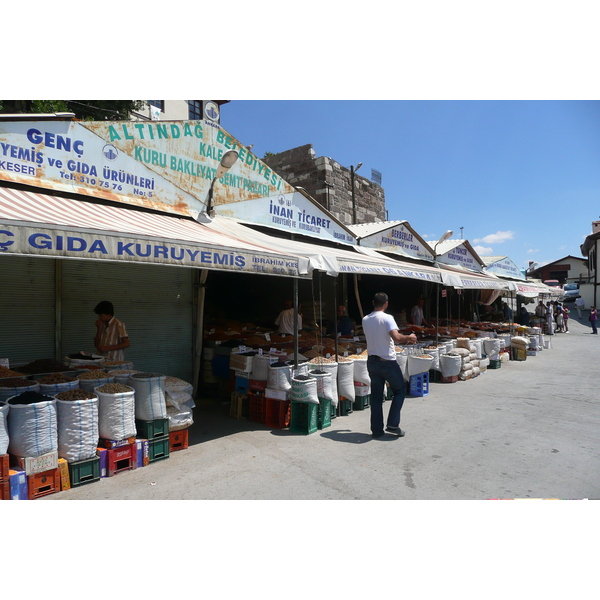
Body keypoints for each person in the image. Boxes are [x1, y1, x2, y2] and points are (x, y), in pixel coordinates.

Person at [362, 292, 417, 439]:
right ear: (386, 304)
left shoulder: (365, 319)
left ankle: (377, 430)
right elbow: (397, 338)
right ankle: (392, 424)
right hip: (387, 362)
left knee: (376, 397)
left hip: (372, 362)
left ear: (373, 302)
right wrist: (410, 338)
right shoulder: (387, 318)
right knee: (400, 390)